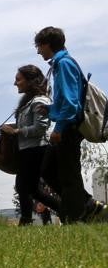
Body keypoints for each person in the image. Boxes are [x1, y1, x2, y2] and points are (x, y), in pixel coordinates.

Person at [34, 26, 108, 223]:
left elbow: (70, 102)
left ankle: (75, 217)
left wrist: (58, 129)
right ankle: (88, 207)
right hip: (67, 124)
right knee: (48, 169)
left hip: (69, 127)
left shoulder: (64, 64)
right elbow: (66, 100)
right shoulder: (60, 64)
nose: (38, 50)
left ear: (47, 44)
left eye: (39, 46)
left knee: (69, 175)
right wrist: (50, 110)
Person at [0, 65, 59, 226]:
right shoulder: (29, 101)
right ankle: (63, 210)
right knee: (30, 188)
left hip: (37, 149)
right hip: (29, 150)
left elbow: (40, 128)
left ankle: (26, 220)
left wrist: (16, 131)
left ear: (30, 81)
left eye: (18, 79)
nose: (15, 83)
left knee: (25, 187)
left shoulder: (39, 101)